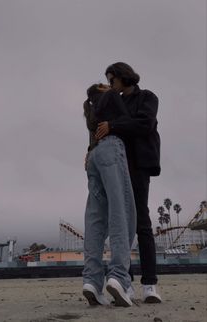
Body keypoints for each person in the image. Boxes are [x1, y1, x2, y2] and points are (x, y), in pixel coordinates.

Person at [96, 62, 162, 303]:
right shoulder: (114, 100)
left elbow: (145, 124)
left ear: (123, 77)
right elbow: (100, 126)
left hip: (140, 164)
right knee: (121, 224)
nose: (110, 84)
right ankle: (126, 283)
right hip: (118, 165)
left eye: (112, 80)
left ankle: (150, 285)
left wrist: (114, 124)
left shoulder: (147, 97)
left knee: (141, 223)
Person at [82, 83, 136, 307]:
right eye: (106, 84)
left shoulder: (92, 109)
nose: (111, 85)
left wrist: (88, 151)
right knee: (122, 213)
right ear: (102, 91)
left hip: (94, 156)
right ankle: (119, 278)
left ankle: (91, 281)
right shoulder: (112, 97)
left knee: (95, 219)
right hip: (112, 149)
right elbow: (131, 121)